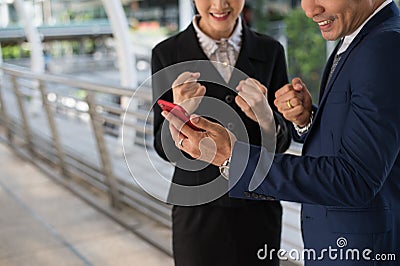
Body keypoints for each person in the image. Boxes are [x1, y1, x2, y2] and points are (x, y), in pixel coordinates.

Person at [163, 0, 400, 265]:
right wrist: (307, 119)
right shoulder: (357, 39)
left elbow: (354, 177)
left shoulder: (382, 46)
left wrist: (237, 150)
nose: (309, 10)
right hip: (199, 210)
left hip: (329, 237)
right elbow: (352, 136)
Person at [151, 0, 291, 265]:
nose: (219, 4)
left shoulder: (270, 50)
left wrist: (265, 117)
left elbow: (281, 142)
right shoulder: (166, 53)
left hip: (259, 205)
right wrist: (178, 114)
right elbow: (162, 147)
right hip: (197, 208)